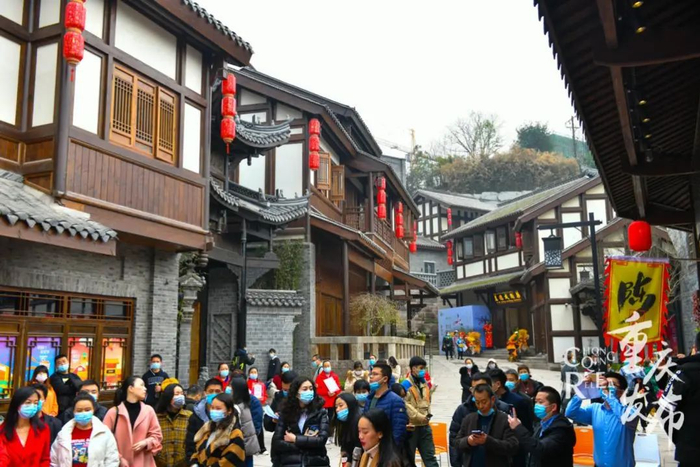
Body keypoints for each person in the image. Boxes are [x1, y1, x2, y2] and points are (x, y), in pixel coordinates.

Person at [565, 371, 637, 467]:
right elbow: (570, 413)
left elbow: (625, 418)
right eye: (604, 384)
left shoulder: (631, 411)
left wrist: (609, 397)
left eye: (611, 385)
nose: (605, 387)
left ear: (621, 392)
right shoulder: (595, 409)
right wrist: (580, 393)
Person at [448, 372, 512, 467]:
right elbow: (455, 440)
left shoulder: (504, 413)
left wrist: (488, 441)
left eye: (481, 387)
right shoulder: (466, 414)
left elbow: (512, 445)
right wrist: (468, 441)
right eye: (474, 388)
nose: (481, 406)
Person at [507, 386, 575, 467]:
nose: (536, 405)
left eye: (540, 402)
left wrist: (518, 428)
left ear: (553, 407)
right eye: (536, 402)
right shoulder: (542, 423)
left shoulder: (561, 430)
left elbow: (540, 449)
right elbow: (531, 445)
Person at [103, 375, 163, 467]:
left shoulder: (148, 411)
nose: (145, 388)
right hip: (120, 463)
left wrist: (146, 443)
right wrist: (119, 458)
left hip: (144, 462)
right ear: (131, 388)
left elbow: (157, 436)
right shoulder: (113, 412)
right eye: (141, 385)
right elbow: (104, 440)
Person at [271, 376, 331, 466]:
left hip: (315, 462)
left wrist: (295, 439)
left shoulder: (320, 412)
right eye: (305, 389)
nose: (309, 391)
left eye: (311, 389)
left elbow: (321, 440)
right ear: (296, 393)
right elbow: (278, 442)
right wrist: (307, 443)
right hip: (290, 462)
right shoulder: (286, 412)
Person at [50, 392, 120, 467]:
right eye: (79, 410)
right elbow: (54, 460)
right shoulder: (63, 433)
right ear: (73, 412)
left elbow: (112, 460)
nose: (83, 413)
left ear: (93, 410)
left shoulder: (104, 432)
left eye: (87, 410)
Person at [668, 331, 700, 467]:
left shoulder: (684, 372)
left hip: (691, 449)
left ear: (695, 348)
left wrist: (680, 438)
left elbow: (665, 410)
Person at [190, 393, 246, 467]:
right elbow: (199, 451)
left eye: (218, 408)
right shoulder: (208, 428)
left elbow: (232, 460)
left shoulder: (235, 433)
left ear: (229, 410)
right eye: (212, 408)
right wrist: (194, 463)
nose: (213, 411)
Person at [0, 386, 51, 466]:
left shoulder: (43, 429)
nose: (32, 406)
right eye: (28, 402)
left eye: (35, 403)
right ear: (17, 404)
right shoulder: (3, 431)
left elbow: (45, 459)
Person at [403, 356, 438, 467]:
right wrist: (419, 416)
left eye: (424, 368)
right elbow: (406, 405)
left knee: (430, 458)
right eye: (421, 368)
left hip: (425, 426)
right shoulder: (405, 385)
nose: (423, 371)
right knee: (409, 460)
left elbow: (426, 401)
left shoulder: (424, 384)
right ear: (413, 368)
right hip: (411, 427)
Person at [365, 363, 408, 447]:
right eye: (371, 374)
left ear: (385, 379)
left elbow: (399, 430)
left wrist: (390, 449)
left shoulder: (395, 400)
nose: (371, 377)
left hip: (387, 448)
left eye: (375, 374)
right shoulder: (369, 398)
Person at [186, 378, 224, 463]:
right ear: (205, 393)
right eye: (211, 391)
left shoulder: (229, 414)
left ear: (222, 393)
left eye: (217, 391)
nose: (214, 394)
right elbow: (190, 444)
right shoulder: (196, 415)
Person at [154, 382, 192, 467]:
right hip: (161, 462)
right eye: (177, 394)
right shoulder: (157, 418)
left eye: (182, 393)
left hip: (183, 463)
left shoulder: (189, 416)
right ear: (168, 397)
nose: (180, 396)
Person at [229, 376, 260, 465]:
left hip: (241, 447)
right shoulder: (245, 405)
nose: (229, 390)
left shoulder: (236, 408)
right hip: (248, 446)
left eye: (231, 388)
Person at [334, 393, 362, 464]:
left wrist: (349, 461)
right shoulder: (345, 421)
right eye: (336, 407)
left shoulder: (359, 421)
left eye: (341, 405)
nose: (337, 409)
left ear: (350, 405)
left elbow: (359, 445)